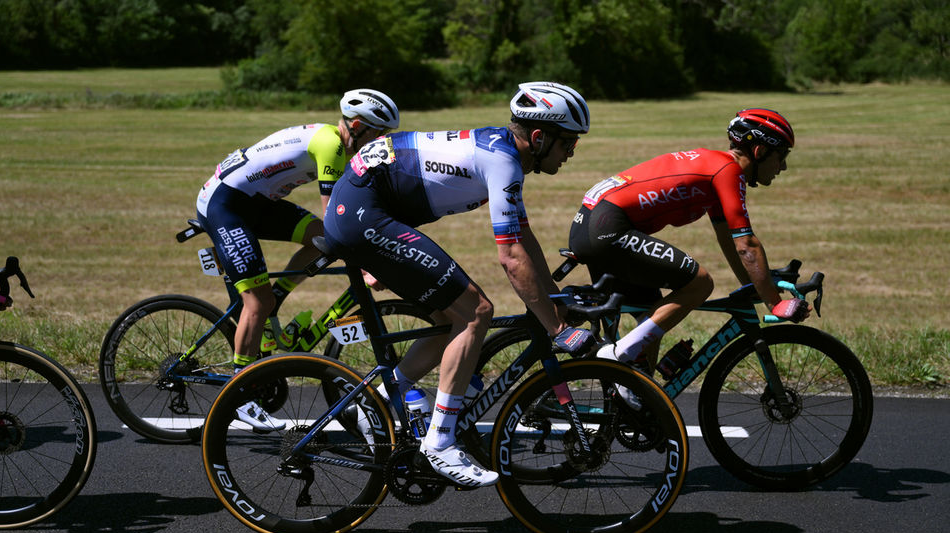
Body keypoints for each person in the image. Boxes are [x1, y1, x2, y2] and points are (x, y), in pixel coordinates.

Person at [323, 82, 596, 487]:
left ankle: (376, 402)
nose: (572, 151)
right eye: (568, 142)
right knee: (476, 312)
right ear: (539, 138)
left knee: (447, 319)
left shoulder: (503, 154)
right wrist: (557, 329)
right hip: (364, 212)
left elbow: (523, 237)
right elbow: (511, 258)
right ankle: (440, 443)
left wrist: (553, 303)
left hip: (371, 205)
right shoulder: (503, 161)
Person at [195, 89, 399, 431]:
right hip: (225, 204)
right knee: (257, 301)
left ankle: (277, 298)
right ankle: (240, 396)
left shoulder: (333, 140)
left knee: (317, 238)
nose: (382, 142)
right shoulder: (332, 145)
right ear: (360, 126)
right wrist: (369, 261)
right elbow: (337, 217)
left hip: (253, 201)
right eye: (380, 134)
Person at [568, 108, 810, 385]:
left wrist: (754, 286)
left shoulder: (716, 167)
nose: (784, 167)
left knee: (650, 317)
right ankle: (618, 355)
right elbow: (747, 245)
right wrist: (775, 303)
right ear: (760, 152)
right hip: (606, 226)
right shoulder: (727, 171)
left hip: (595, 222)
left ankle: (629, 395)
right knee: (701, 283)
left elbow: (729, 241)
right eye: (782, 157)